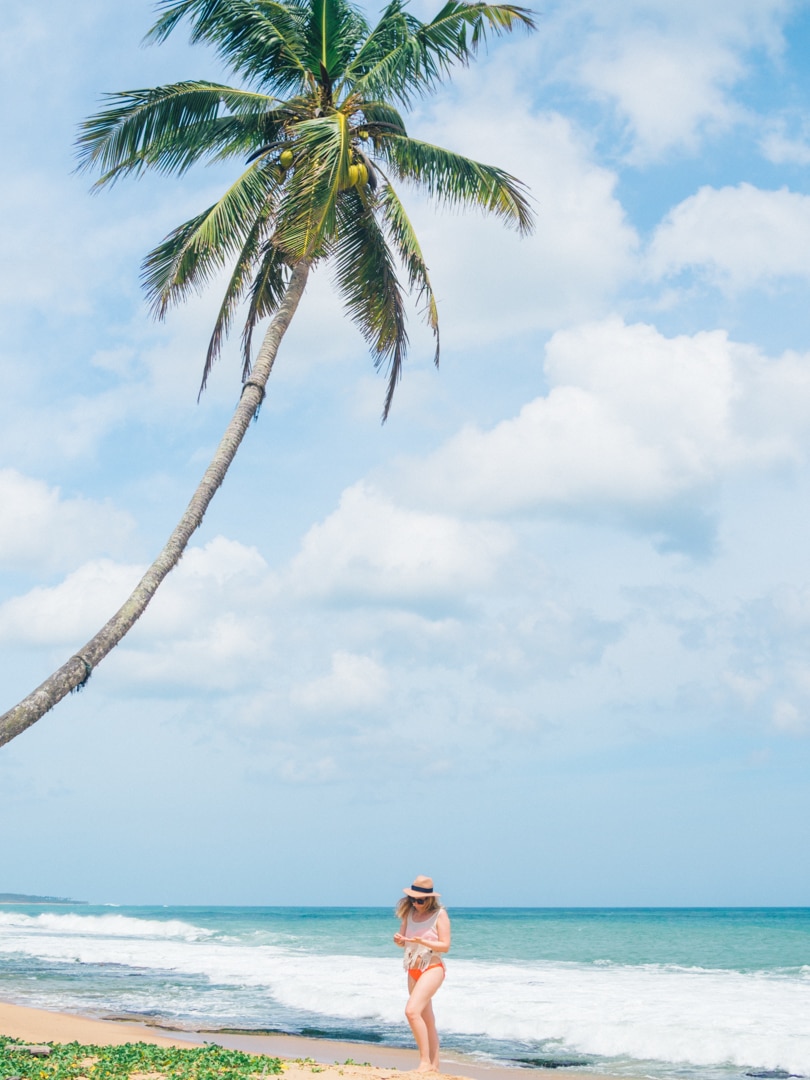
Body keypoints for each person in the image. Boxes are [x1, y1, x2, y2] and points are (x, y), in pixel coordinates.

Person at [393, 875, 451, 1073]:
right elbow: (404, 940)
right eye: (413, 899)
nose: (416, 903)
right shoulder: (408, 914)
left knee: (411, 1011)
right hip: (412, 968)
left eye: (420, 900)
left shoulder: (439, 914)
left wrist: (423, 942)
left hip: (432, 967)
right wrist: (399, 940)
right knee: (427, 1019)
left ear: (430, 899)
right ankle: (434, 1067)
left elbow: (445, 946)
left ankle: (424, 1062)